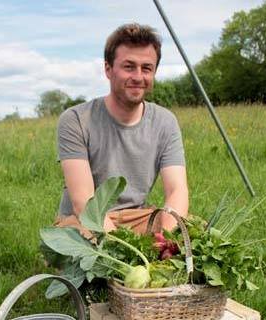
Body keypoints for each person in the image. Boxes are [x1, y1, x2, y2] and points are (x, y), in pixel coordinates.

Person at [56, 23, 188, 234]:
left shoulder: (165, 122)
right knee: (86, 254)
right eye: (129, 66)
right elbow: (83, 201)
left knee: (189, 228)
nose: (138, 76)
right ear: (108, 69)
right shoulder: (76, 120)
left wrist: (166, 241)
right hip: (83, 220)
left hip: (137, 217)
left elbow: (176, 190)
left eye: (146, 68)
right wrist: (124, 251)